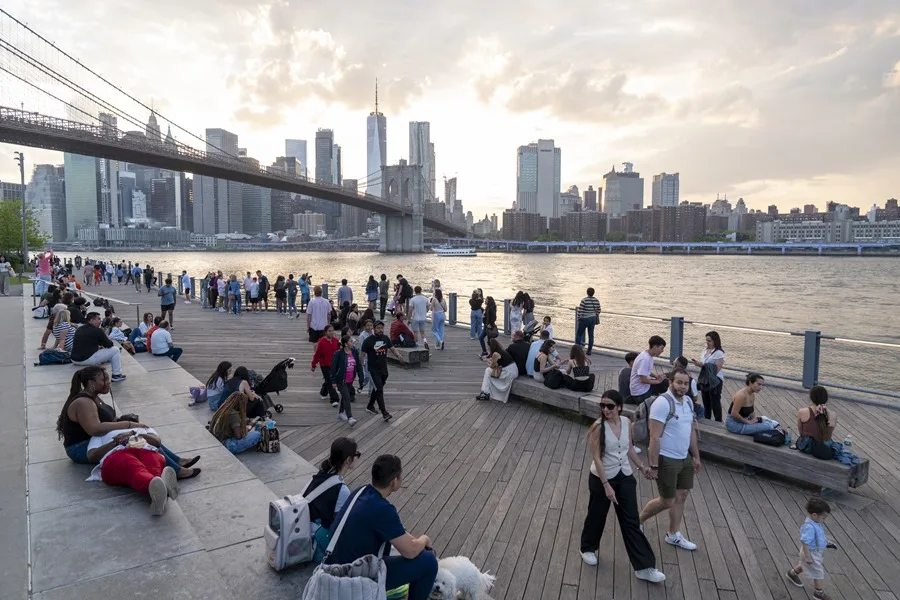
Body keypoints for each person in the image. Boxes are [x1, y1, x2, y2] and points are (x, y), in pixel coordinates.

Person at [324, 454, 438, 600]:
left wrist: (412, 540)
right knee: (428, 562)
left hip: (334, 567)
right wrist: (424, 539)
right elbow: (410, 552)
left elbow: (394, 530)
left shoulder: (361, 491)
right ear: (393, 481)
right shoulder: (382, 509)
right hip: (352, 577)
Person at [580, 390, 665, 582]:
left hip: (624, 475)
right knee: (597, 515)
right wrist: (606, 485)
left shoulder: (626, 422)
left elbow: (627, 448)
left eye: (610, 406)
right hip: (602, 477)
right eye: (602, 406)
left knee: (631, 520)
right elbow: (597, 458)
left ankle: (644, 567)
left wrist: (642, 467)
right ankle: (587, 547)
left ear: (619, 407)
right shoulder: (598, 428)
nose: (606, 409)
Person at [56, 366, 199, 476]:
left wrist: (123, 421)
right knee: (138, 440)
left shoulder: (94, 396)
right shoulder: (83, 402)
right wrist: (129, 425)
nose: (108, 382)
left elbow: (105, 421)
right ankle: (176, 470)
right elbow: (94, 429)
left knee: (141, 435)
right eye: (104, 380)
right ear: (91, 383)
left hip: (95, 440)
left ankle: (176, 461)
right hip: (80, 448)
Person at [639, 368, 701, 552]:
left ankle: (673, 534)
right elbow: (654, 437)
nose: (682, 386)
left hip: (684, 457)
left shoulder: (688, 401)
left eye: (685, 383)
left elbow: (689, 431)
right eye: (679, 382)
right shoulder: (662, 403)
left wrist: (696, 456)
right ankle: (637, 521)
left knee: (682, 495)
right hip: (667, 459)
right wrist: (654, 466)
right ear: (670, 383)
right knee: (667, 500)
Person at [304, 437, 359, 555]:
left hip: (307, 527)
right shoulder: (342, 490)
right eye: (357, 454)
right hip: (316, 538)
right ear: (348, 460)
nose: (357, 457)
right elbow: (339, 526)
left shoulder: (322, 474)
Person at [786, 497, 834, 600]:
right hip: (811, 553)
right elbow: (805, 541)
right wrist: (807, 556)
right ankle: (818, 593)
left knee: (805, 565)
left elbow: (818, 536)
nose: (824, 520)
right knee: (818, 572)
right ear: (815, 515)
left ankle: (792, 573)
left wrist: (825, 542)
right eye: (823, 518)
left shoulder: (815, 523)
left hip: (814, 552)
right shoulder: (809, 527)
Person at [360, 320, 403, 422]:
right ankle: (384, 412)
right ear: (374, 329)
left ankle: (370, 406)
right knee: (379, 389)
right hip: (372, 370)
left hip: (383, 369)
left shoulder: (385, 338)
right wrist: (361, 365)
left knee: (377, 389)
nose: (380, 330)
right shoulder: (368, 341)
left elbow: (392, 348)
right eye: (378, 328)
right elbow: (361, 354)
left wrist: (398, 355)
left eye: (382, 328)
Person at [71, 312, 126, 382]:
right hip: (85, 359)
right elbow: (109, 344)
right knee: (115, 350)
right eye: (98, 319)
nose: (101, 321)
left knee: (105, 351)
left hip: (74, 359)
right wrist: (104, 335)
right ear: (91, 320)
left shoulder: (79, 329)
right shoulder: (97, 330)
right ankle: (116, 375)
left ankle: (114, 370)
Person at [690, 331, 726, 421]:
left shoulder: (719, 353)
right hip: (705, 379)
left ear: (715, 341)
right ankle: (707, 420)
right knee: (706, 401)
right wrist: (699, 364)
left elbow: (716, 369)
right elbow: (705, 364)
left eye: (709, 341)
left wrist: (702, 365)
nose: (707, 343)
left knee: (715, 402)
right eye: (706, 341)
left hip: (715, 380)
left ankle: (718, 421)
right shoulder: (705, 350)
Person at [331, 335, 363, 426]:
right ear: (345, 344)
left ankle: (341, 413)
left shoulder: (355, 352)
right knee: (347, 397)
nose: (352, 343)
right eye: (350, 341)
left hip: (350, 379)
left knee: (345, 397)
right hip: (341, 380)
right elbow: (333, 368)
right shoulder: (338, 354)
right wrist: (333, 381)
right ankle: (350, 417)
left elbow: (358, 366)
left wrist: (361, 377)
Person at [476, 338, 519, 403]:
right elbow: (495, 363)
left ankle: (485, 392)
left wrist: (485, 361)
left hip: (509, 372)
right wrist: (486, 360)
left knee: (488, 370)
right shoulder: (501, 350)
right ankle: (485, 391)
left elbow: (492, 366)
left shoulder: (495, 354)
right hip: (513, 369)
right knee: (489, 371)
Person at [629, 336, 669, 402]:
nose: (662, 351)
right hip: (640, 393)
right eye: (661, 348)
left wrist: (656, 376)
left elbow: (647, 371)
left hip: (644, 387)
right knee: (664, 385)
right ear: (655, 346)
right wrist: (658, 381)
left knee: (666, 383)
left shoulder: (649, 356)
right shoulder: (644, 359)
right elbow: (643, 380)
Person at [312, 324, 342, 408]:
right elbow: (317, 354)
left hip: (334, 365)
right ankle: (334, 399)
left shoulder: (336, 341)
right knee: (330, 380)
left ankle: (323, 392)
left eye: (332, 331)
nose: (331, 332)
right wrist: (313, 364)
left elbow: (339, 352)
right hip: (324, 364)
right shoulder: (321, 342)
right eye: (329, 331)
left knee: (328, 380)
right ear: (325, 332)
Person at [575, 287, 602, 355]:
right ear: (593, 293)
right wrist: (594, 314)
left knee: (579, 334)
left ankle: (578, 350)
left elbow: (580, 311)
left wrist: (579, 318)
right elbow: (599, 310)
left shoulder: (584, 300)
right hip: (593, 319)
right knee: (591, 335)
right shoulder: (596, 300)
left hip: (584, 319)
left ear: (587, 292)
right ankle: (589, 350)